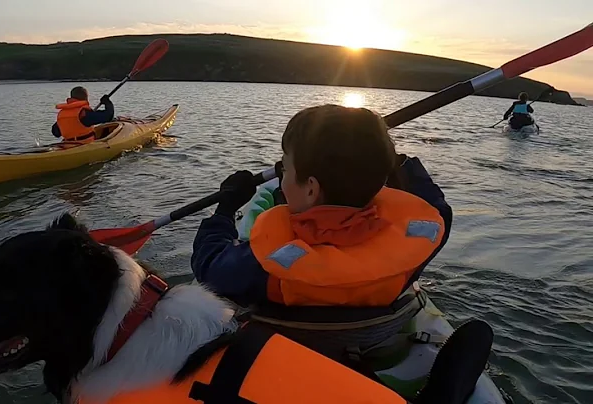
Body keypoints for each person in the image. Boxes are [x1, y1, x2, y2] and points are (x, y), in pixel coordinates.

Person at [191, 105, 453, 367]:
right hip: (368, 344)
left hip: (288, 359)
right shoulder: (416, 246)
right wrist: (395, 160)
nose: (282, 177)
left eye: (286, 169)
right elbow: (437, 208)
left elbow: (208, 263)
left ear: (311, 189)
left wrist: (225, 209)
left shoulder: (265, 266)